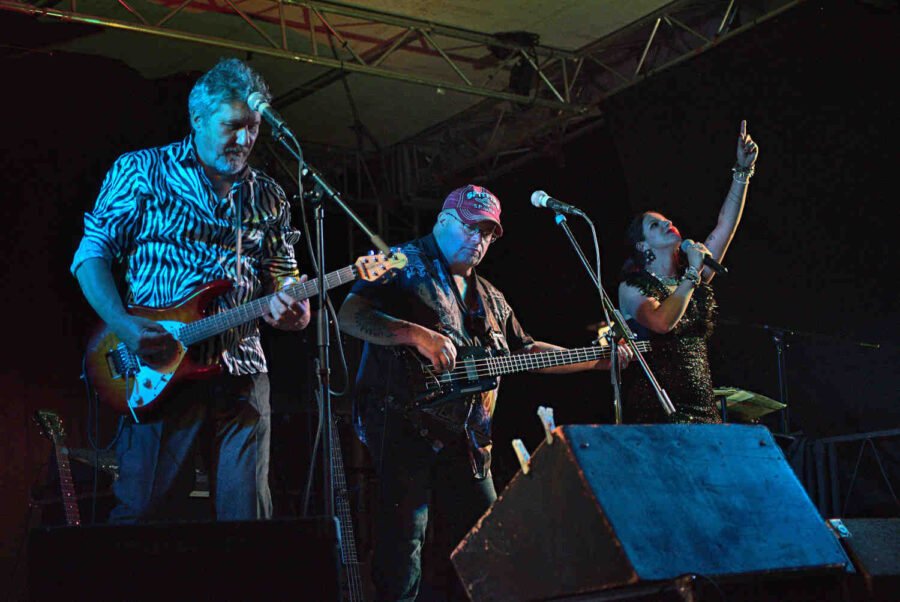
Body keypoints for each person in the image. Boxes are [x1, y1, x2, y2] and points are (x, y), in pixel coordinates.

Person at [338, 184, 632, 601]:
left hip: (470, 440)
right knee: (404, 544)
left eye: (490, 233)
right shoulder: (401, 262)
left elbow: (527, 350)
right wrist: (414, 334)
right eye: (473, 228)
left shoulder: (491, 297)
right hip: (404, 426)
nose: (481, 240)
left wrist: (596, 360)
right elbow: (350, 316)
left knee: (486, 543)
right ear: (443, 221)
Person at [71, 58, 311, 523]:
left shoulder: (270, 196)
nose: (244, 140)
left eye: (254, 127)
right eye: (232, 126)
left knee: (251, 523)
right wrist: (124, 325)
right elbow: (90, 256)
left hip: (242, 369)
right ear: (197, 119)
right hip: (158, 367)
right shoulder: (142, 171)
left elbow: (285, 277)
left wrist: (294, 310)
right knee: (146, 518)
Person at [618, 120, 759, 424]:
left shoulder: (692, 278)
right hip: (659, 411)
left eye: (668, 220)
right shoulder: (632, 288)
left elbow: (725, 226)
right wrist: (693, 271)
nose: (669, 224)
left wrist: (742, 172)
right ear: (643, 246)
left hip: (703, 407)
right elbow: (660, 322)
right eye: (657, 225)